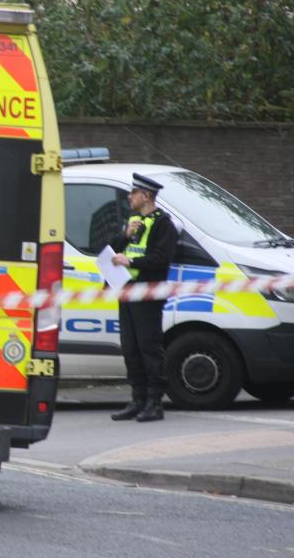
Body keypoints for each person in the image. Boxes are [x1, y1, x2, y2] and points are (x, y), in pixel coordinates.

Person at [109, 173, 178, 422]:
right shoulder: (134, 221)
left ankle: (154, 403)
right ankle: (137, 400)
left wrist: (132, 260)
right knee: (131, 348)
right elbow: (112, 250)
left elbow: (161, 259)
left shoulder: (163, 224)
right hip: (127, 290)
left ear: (145, 196)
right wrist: (125, 236)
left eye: (133, 193)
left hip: (148, 293)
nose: (129, 197)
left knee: (149, 348)